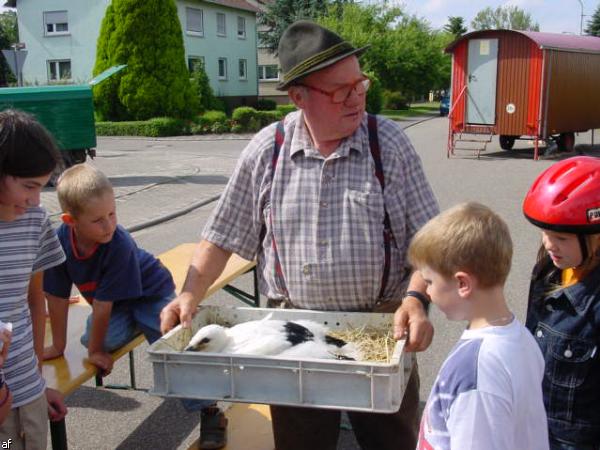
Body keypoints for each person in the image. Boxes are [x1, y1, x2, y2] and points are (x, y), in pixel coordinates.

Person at [160, 20, 438, 450]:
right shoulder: (266, 151)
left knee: (392, 442)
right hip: (290, 343)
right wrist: (189, 296)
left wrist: (416, 300)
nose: (358, 97)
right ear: (298, 97)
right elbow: (220, 237)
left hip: (381, 337)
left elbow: (432, 243)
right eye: (341, 90)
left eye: (359, 84)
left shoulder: (390, 145)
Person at [43, 164, 228, 449]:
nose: (109, 225)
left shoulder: (118, 244)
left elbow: (102, 308)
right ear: (70, 221)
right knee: (100, 338)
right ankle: (137, 323)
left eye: (112, 214)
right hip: (118, 304)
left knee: (169, 340)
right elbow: (55, 297)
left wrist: (96, 351)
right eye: (98, 220)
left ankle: (210, 410)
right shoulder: (59, 243)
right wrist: (57, 345)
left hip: (150, 293)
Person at [410, 202, 549, 449]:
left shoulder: (475, 369)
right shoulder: (523, 339)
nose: (427, 292)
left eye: (429, 281)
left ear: (462, 283)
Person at [0, 109, 68, 449]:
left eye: (41, 188)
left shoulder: (35, 221)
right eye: (28, 186)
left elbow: (34, 300)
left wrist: (38, 381)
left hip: (28, 392)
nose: (35, 200)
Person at [522, 155, 600, 450]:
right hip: (535, 432)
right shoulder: (548, 271)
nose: (548, 244)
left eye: (561, 237)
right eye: (544, 233)